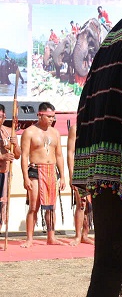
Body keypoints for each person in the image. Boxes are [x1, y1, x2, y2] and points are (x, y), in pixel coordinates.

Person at [20, 102, 66, 247]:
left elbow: (59, 155)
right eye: (49, 116)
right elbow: (24, 156)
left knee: (51, 207)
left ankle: (51, 237)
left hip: (51, 170)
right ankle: (29, 239)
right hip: (35, 171)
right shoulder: (29, 132)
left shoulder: (55, 132)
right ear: (40, 115)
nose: (52, 119)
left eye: (53, 116)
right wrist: (25, 177)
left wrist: (63, 176)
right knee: (34, 206)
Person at [65, 122, 93, 246]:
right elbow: (70, 152)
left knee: (90, 205)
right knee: (81, 204)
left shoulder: (95, 126)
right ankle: (77, 235)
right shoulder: (75, 129)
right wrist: (72, 174)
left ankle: (85, 235)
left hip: (93, 168)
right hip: (80, 169)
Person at [0, 104, 21, 233]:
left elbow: (17, 155)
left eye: (0, 116)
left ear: (4, 117)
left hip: (4, 173)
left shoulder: (9, 131)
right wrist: (3, 156)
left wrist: (15, 144)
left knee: (2, 204)